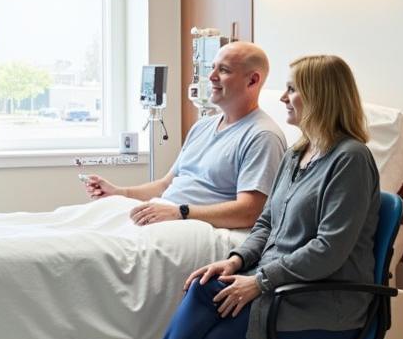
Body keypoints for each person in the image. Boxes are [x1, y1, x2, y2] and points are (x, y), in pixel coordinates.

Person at [77, 55, 380, 339]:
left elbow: (329, 251)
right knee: (206, 297)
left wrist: (257, 281)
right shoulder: (299, 155)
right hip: (283, 292)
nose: (283, 98)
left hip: (323, 301)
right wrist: (234, 261)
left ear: (321, 97)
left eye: (294, 89)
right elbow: (265, 225)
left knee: (206, 323)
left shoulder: (351, 161)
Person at [86, 42, 285, 229]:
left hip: (192, 225)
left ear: (252, 80)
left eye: (223, 70)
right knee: (86, 223)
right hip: (166, 212)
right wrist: (120, 192)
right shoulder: (202, 127)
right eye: (213, 67)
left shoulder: (262, 136)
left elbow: (250, 211)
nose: (212, 76)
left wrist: (180, 212)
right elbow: (165, 185)